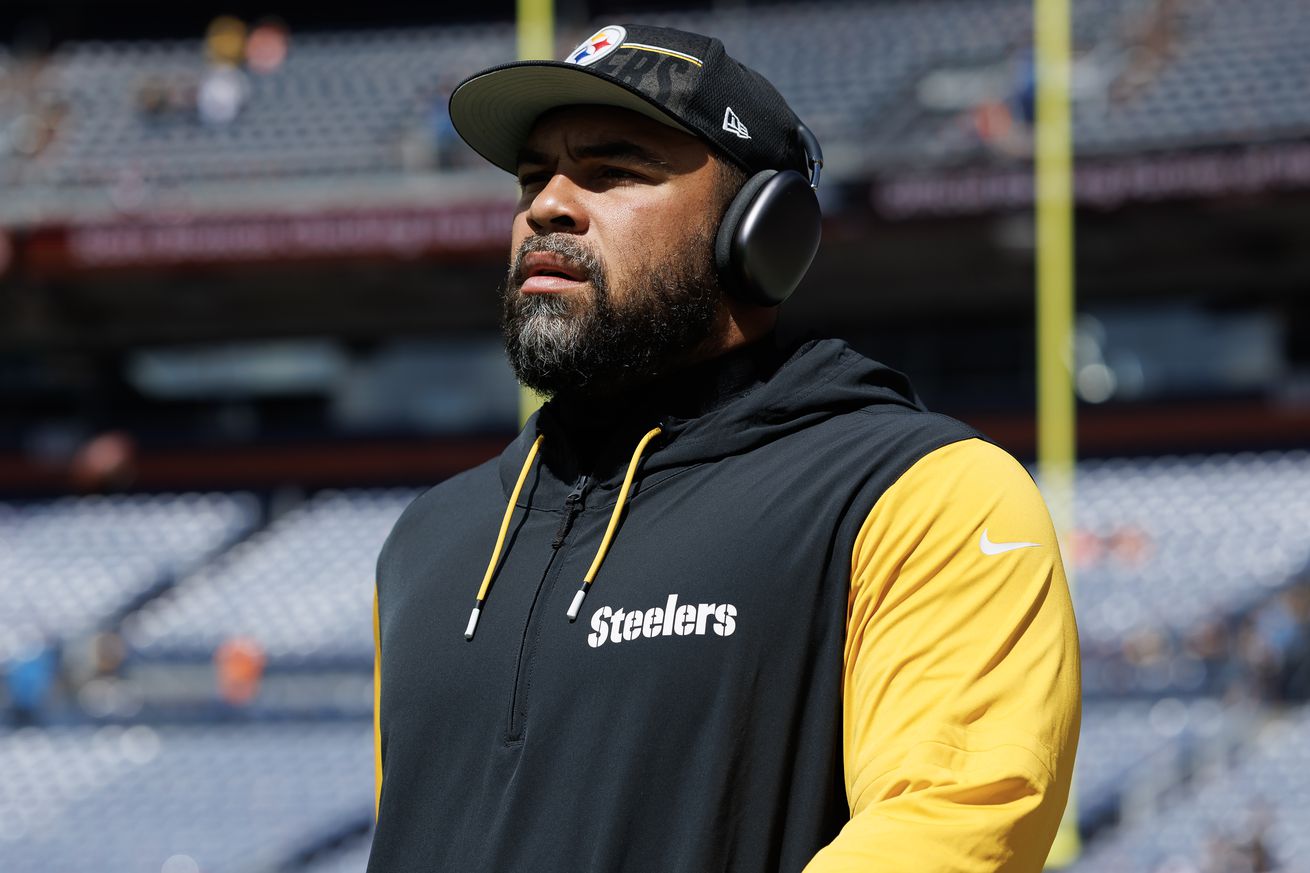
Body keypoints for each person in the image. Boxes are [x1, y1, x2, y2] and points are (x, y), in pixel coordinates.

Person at [369, 23, 1079, 873]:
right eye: (532, 176)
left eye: (613, 169)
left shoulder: (919, 495)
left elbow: (951, 830)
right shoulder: (427, 542)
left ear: (762, 232)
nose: (547, 204)